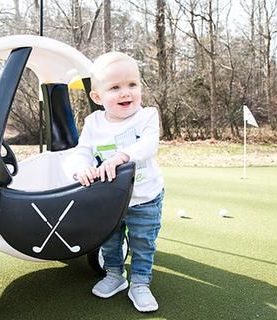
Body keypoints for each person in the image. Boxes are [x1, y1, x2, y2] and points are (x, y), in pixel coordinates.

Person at [64, 52, 164, 312]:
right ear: (97, 97)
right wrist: (81, 168)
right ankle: (115, 275)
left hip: (145, 198)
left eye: (132, 85)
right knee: (109, 239)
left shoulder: (147, 116)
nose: (126, 93)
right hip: (109, 200)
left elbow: (149, 144)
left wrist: (123, 156)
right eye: (115, 87)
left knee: (143, 241)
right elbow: (81, 151)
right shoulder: (93, 122)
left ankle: (140, 282)